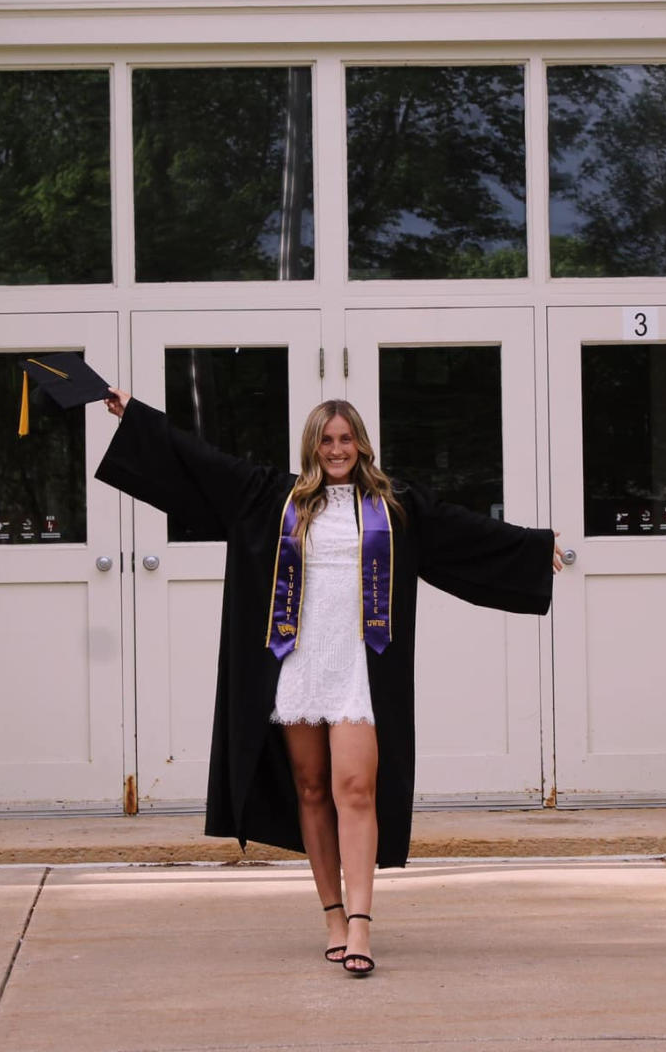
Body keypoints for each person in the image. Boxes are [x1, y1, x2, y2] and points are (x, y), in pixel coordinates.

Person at [97, 392, 562, 976]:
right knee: (312, 790)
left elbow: (463, 532)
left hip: (361, 667)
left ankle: (363, 923)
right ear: (312, 445)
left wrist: (532, 547)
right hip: (297, 661)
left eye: (346, 439)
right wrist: (135, 416)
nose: (337, 449)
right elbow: (203, 462)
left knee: (356, 789)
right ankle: (332, 915)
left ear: (361, 444)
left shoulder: (393, 507)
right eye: (327, 439)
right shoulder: (276, 498)